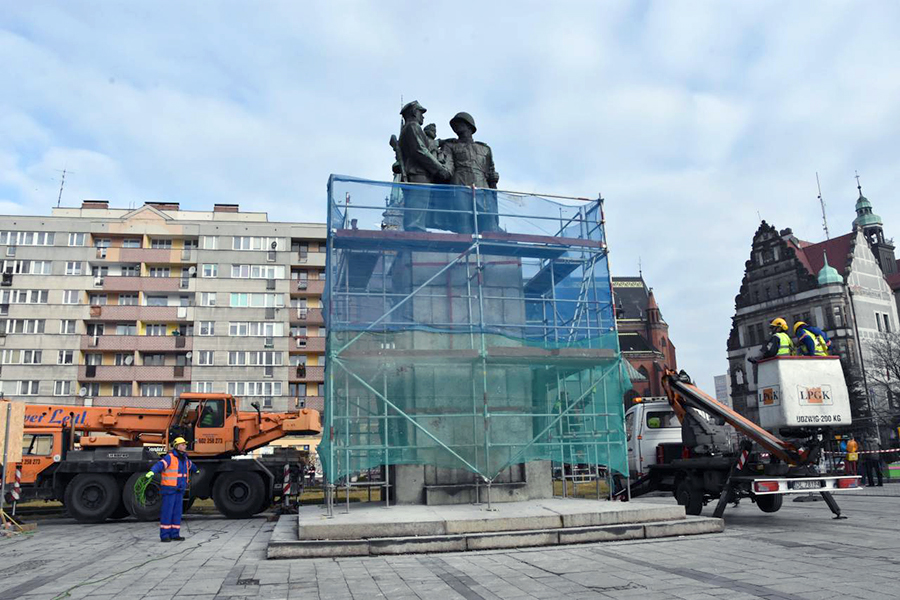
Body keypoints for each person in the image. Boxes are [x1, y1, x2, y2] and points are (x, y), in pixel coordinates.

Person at [439, 112, 501, 233]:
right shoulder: (450, 146)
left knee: (489, 225)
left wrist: (494, 178)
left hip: (482, 189)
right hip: (460, 187)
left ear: (469, 126)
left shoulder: (485, 149)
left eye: (459, 123)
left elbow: (490, 171)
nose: (456, 126)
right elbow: (448, 167)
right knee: (463, 226)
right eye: (454, 124)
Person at [397, 101, 451, 232]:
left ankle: (417, 227)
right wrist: (439, 168)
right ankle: (416, 229)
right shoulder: (413, 126)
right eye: (421, 113)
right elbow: (420, 150)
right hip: (418, 173)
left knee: (419, 207)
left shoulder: (410, 128)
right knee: (417, 207)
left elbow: (425, 146)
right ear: (414, 113)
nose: (423, 117)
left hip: (419, 173)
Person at [145, 437, 200, 542]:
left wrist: (196, 470)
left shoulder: (185, 459)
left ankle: (175, 534)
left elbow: (192, 466)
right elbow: (160, 465)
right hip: (169, 489)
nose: (185, 446)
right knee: (167, 512)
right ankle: (165, 535)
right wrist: (152, 471)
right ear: (177, 446)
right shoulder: (170, 457)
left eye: (185, 444)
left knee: (177, 512)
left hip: (180, 489)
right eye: (183, 444)